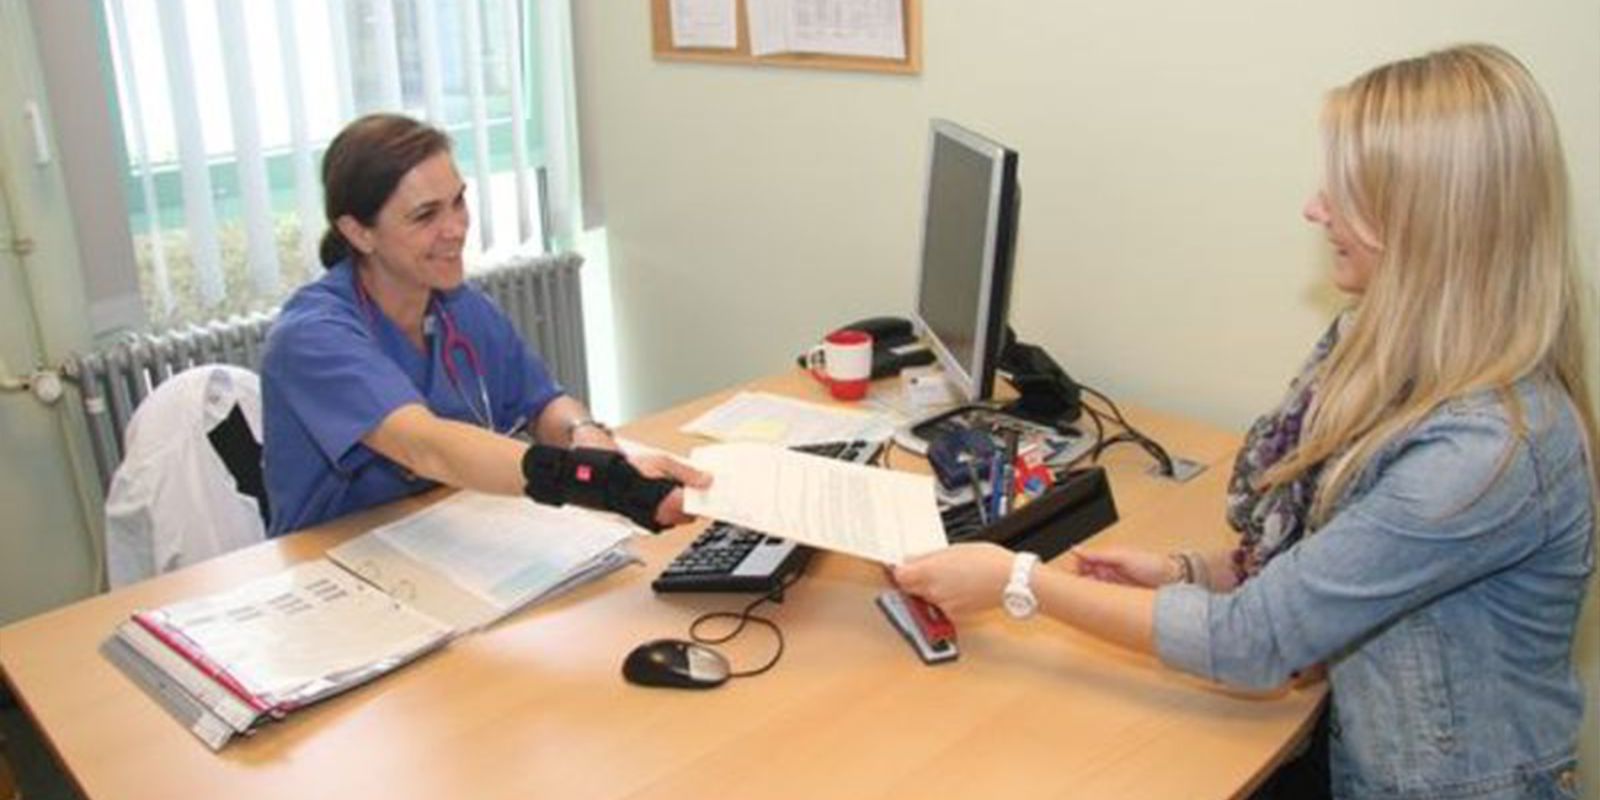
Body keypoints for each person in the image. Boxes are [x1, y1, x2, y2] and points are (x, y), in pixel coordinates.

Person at [893, 44, 1594, 800]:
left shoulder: (1485, 452)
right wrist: (1192, 572)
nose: (1314, 207)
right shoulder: (1384, 354)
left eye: (1346, 189)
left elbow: (1258, 643)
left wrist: (1018, 581)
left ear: (1429, 218)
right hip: (1361, 747)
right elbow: (1336, 559)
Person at [262, 113, 707, 537]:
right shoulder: (313, 337)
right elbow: (427, 446)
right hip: (334, 562)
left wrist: (586, 437)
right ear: (359, 232)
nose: (455, 228)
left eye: (458, 201)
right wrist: (606, 485)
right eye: (425, 215)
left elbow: (543, 403)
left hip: (444, 534)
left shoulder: (460, 307)